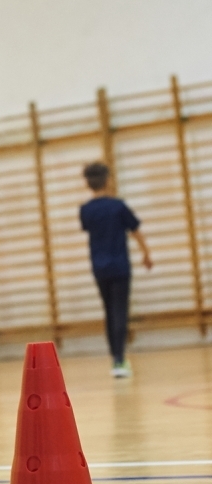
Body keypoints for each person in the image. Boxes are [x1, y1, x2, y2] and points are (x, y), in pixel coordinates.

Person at [80, 161, 152, 378]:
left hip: (99, 266)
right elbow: (135, 230)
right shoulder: (118, 206)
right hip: (119, 266)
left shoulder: (86, 210)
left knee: (109, 311)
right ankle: (120, 360)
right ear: (108, 180)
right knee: (119, 311)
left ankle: (115, 358)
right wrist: (146, 253)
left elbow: (89, 229)